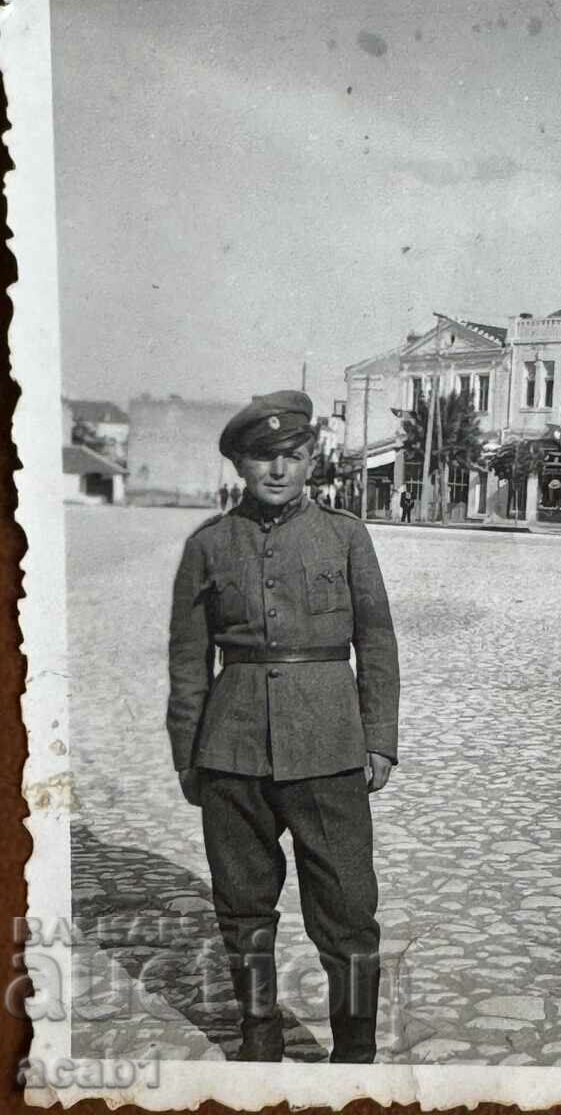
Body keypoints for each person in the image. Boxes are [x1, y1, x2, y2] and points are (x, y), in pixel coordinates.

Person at [166, 390, 400, 1064]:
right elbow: (188, 659)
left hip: (329, 745)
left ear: (310, 461)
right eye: (262, 457)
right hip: (231, 749)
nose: (277, 470)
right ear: (241, 463)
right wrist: (188, 753)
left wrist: (378, 736)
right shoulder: (208, 546)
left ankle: (354, 1054)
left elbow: (376, 640)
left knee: (349, 911)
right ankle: (258, 1037)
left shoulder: (345, 535)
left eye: (291, 457)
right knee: (242, 909)